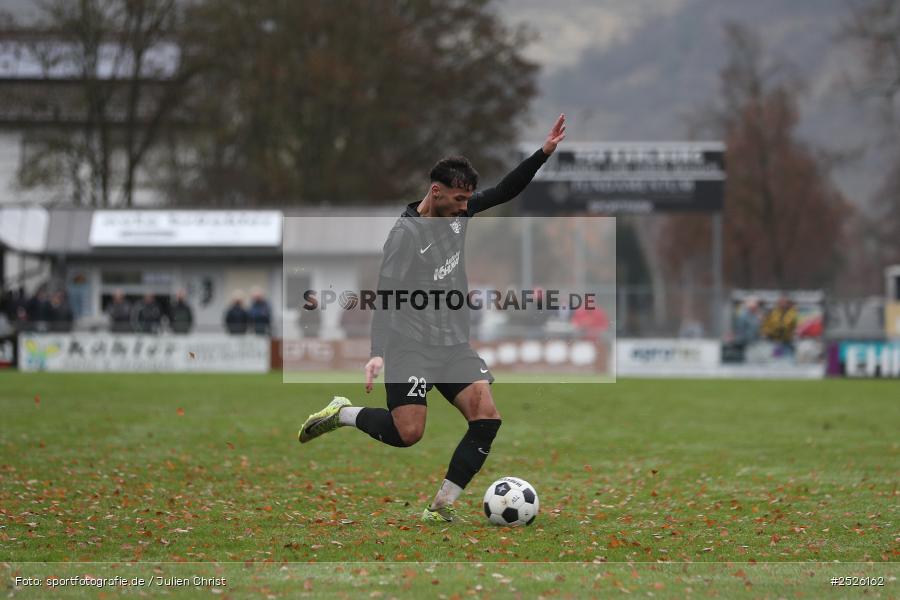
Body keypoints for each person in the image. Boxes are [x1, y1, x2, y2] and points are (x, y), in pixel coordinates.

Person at [298, 114, 567, 523]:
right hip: (410, 345)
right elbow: (385, 297)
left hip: (453, 343)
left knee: (486, 417)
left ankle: (440, 507)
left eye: (467, 201)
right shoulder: (403, 237)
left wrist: (543, 153)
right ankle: (343, 413)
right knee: (409, 433)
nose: (466, 208)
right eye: (459, 200)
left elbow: (504, 190)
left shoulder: (458, 212)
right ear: (436, 192)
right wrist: (376, 353)